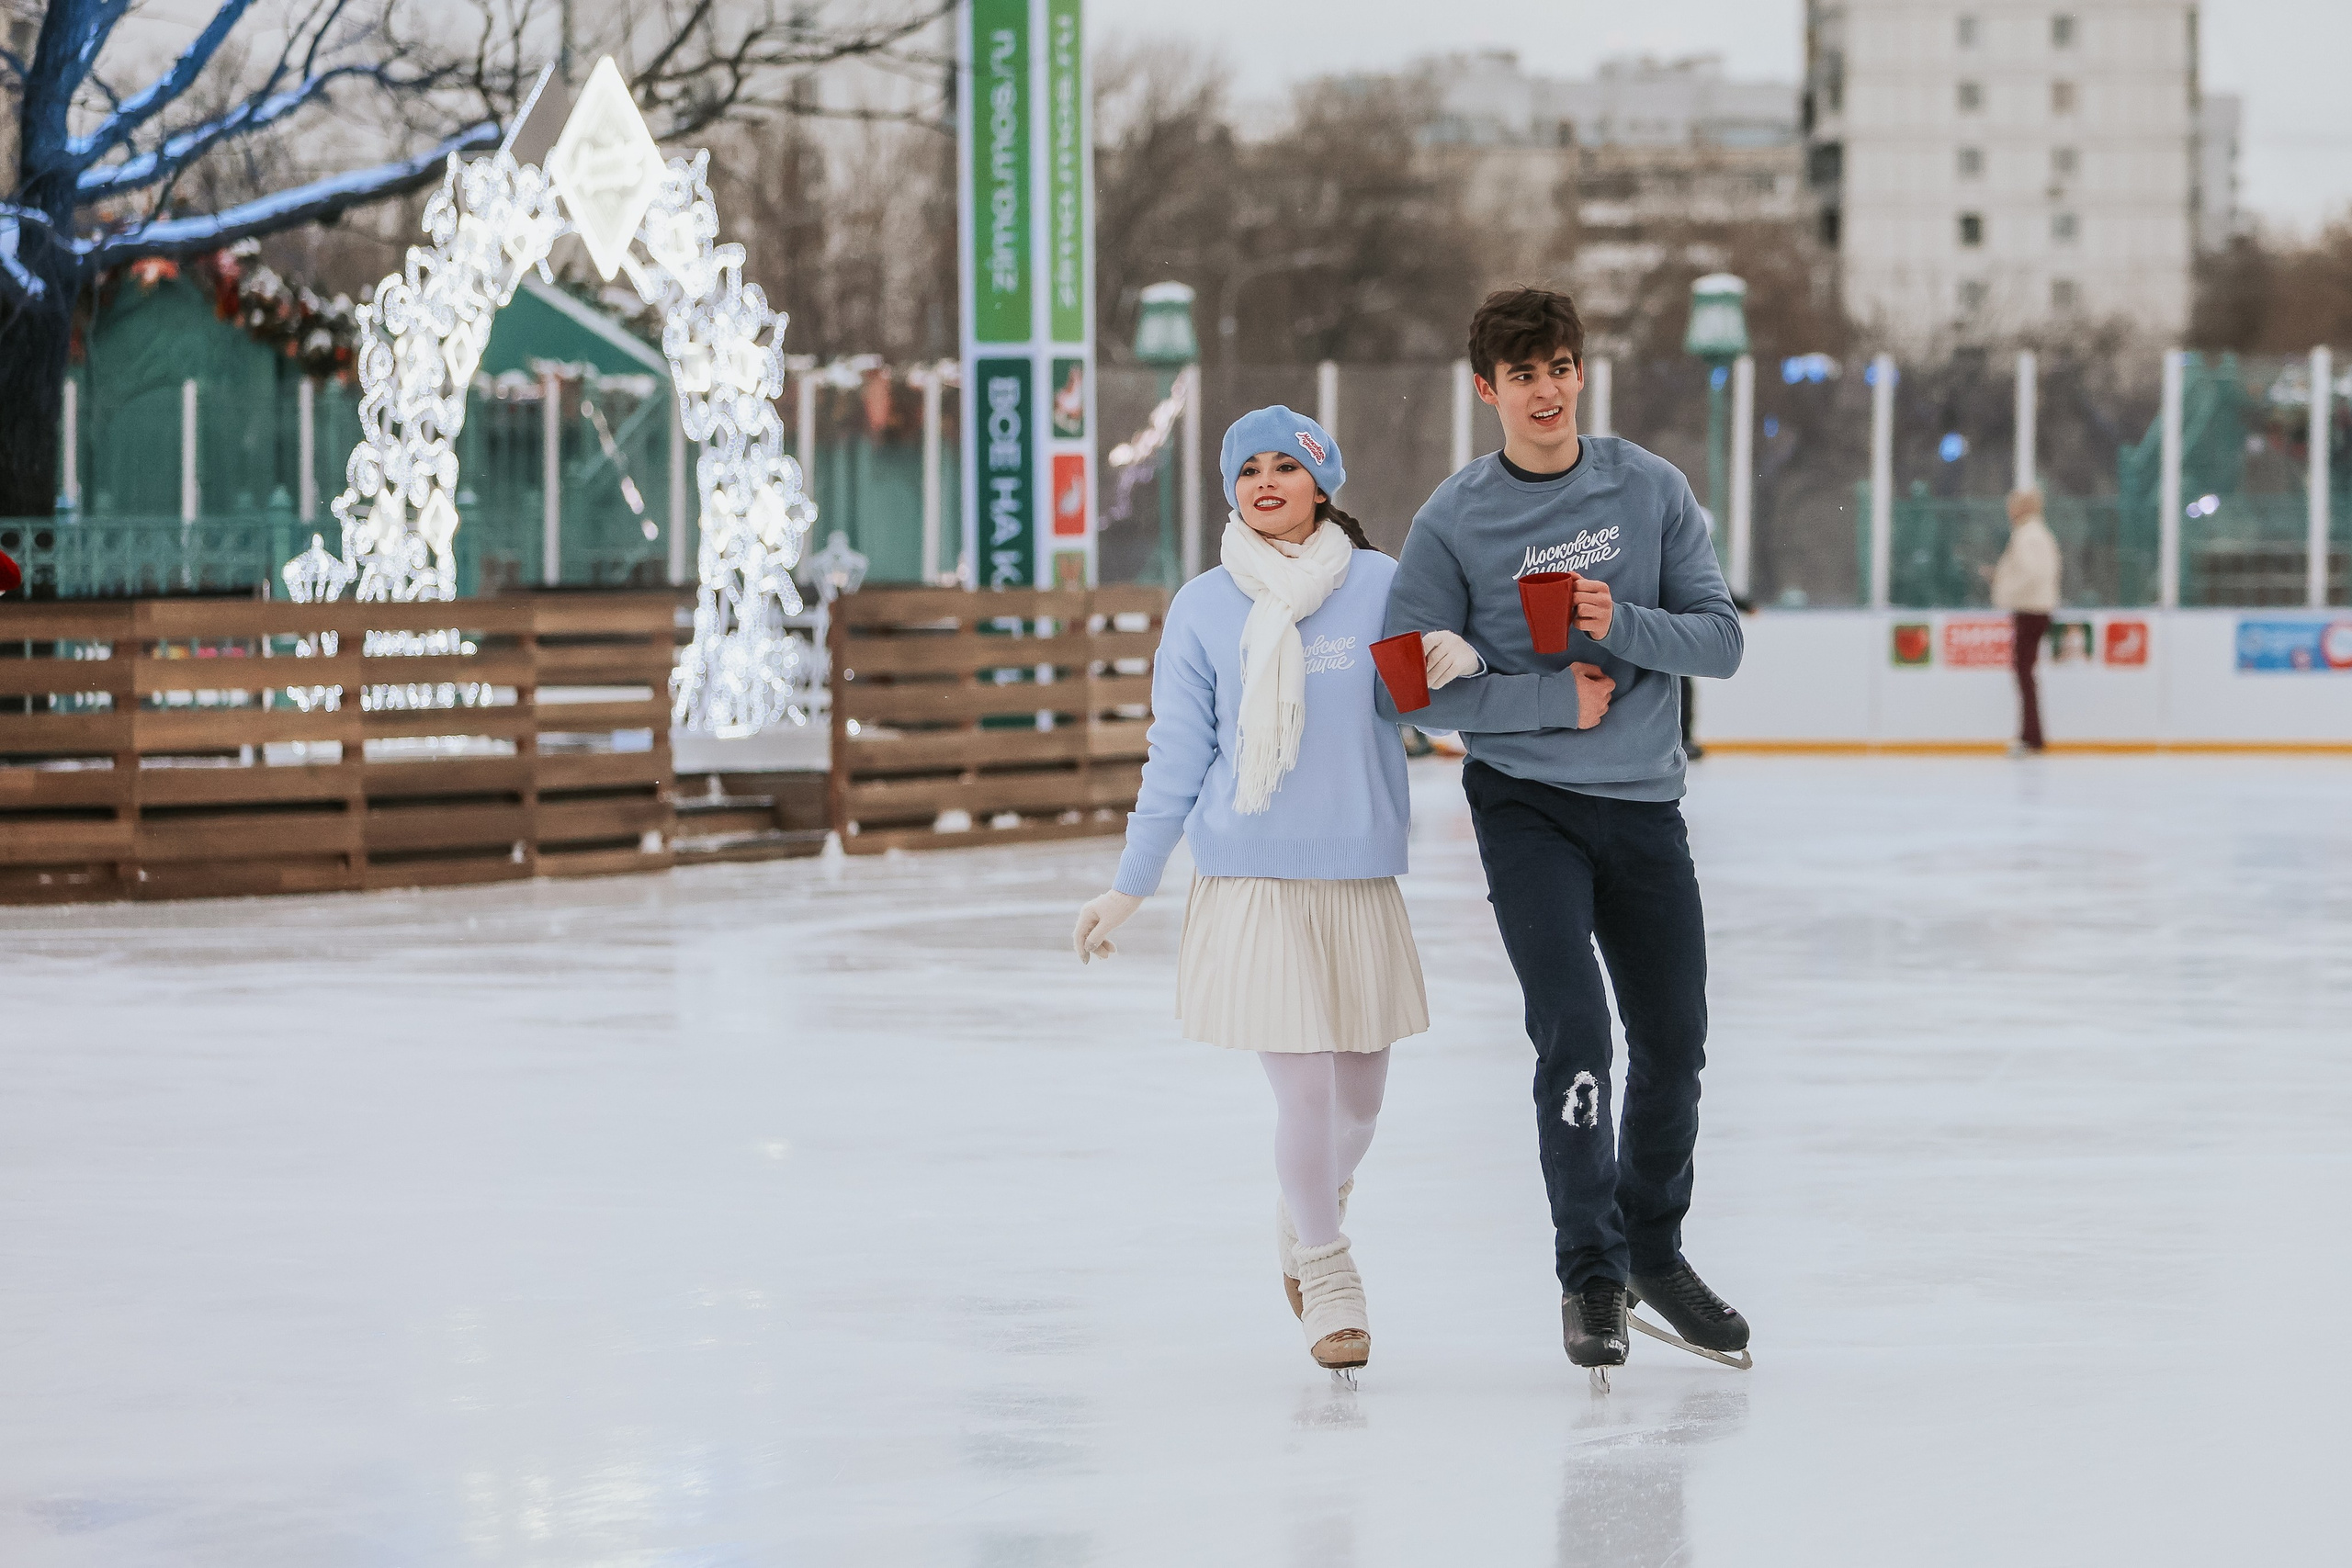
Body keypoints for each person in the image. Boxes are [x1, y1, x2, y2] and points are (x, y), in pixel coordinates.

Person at [1377, 287, 1749, 1379]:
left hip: (1643, 807)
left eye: (1561, 368)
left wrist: (1617, 622)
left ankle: (1656, 1252)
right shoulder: (1456, 517)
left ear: (1581, 374)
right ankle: (1589, 1271)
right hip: (1527, 810)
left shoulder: (1649, 488)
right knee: (1576, 1037)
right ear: (1485, 390)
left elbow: (1721, 644)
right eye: (1522, 374)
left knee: (1674, 1043)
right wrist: (1546, 702)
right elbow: (1404, 686)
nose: (1546, 391)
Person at [1069, 407, 1478, 1376]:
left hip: (1357, 867)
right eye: (1245, 469)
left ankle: (1304, 1211)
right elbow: (1177, 757)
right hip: (1249, 872)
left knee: (1361, 1102)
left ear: (1321, 483)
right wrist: (1131, 887)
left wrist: (1456, 667)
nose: (1264, 483)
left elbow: (1421, 707)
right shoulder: (1206, 606)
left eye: (1284, 467)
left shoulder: (1382, 586)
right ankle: (1328, 1272)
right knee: (1302, 1093)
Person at [1990, 489, 2061, 755]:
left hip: (2030, 609)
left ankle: (2031, 736)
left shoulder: (2026, 536)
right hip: (2038, 608)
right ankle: (2032, 734)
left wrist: (2005, 590)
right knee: (2025, 673)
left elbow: (2031, 573)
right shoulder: (2040, 534)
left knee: (2023, 674)